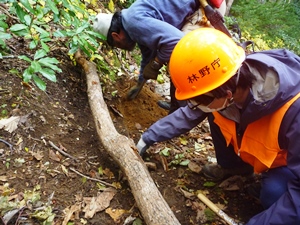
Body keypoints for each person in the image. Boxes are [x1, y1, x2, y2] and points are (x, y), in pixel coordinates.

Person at [137, 28, 300, 224]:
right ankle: (236, 168)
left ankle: (271, 184)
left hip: (289, 164)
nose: (195, 107)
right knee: (214, 113)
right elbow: (189, 113)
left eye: (198, 101)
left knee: (273, 194)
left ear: (226, 95)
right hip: (263, 152)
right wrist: (148, 137)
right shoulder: (228, 78)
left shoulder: (294, 111)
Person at [92, 0, 227, 113]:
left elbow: (176, 41)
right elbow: (148, 56)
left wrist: (157, 63)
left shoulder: (134, 23)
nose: (119, 47)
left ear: (116, 36)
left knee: (179, 60)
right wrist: (140, 83)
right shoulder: (131, 22)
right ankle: (177, 108)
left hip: (205, 8)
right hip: (195, 9)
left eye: (116, 44)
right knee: (174, 60)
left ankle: (186, 113)